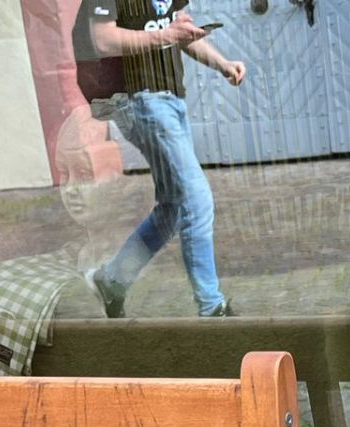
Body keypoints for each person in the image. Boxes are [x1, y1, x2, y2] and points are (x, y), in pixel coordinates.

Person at [74, 1, 246, 318]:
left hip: (170, 99)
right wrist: (167, 35)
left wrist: (222, 64)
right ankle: (212, 308)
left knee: (173, 209)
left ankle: (111, 281)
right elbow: (104, 39)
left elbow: (179, 30)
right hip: (138, 99)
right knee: (197, 201)